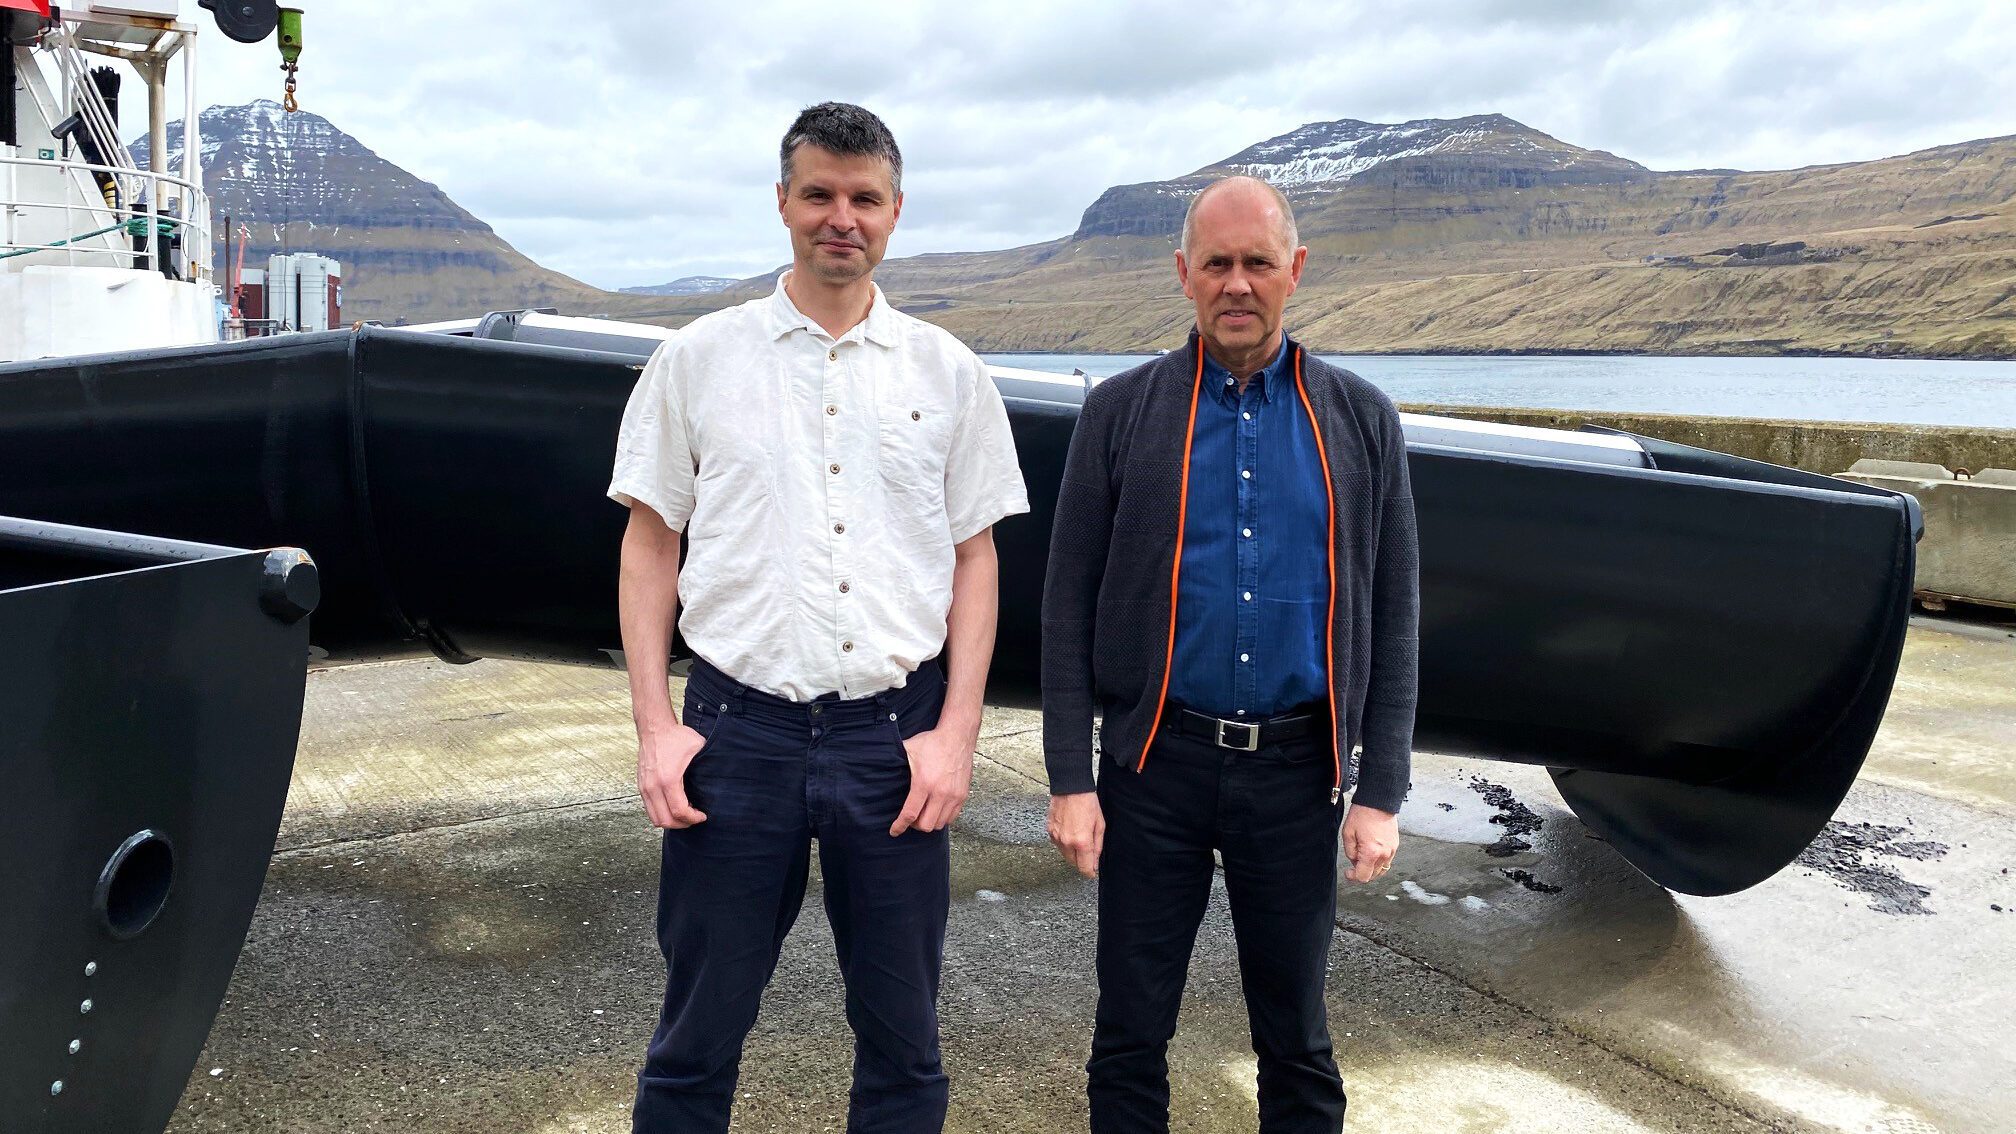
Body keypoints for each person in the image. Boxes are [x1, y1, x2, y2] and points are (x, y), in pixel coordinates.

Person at [608, 102, 1029, 1134]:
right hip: (733, 738)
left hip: (893, 742)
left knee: (903, 1042)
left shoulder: (949, 373)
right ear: (784, 203)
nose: (842, 218)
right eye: (820, 195)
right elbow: (650, 548)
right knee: (695, 1039)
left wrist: (956, 735)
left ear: (893, 213)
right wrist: (658, 729)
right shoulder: (698, 359)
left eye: (864, 199)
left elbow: (977, 560)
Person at [1040, 175, 1419, 1133]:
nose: (1237, 284)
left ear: (1295, 271)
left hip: (1296, 776)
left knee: (1296, 1040)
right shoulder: (1119, 414)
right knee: (1129, 1032)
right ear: (1184, 275)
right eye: (1217, 263)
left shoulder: (1362, 420)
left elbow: (1398, 609)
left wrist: (1380, 793)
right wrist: (1069, 779)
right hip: (1151, 766)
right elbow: (1064, 606)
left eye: (1258, 263)